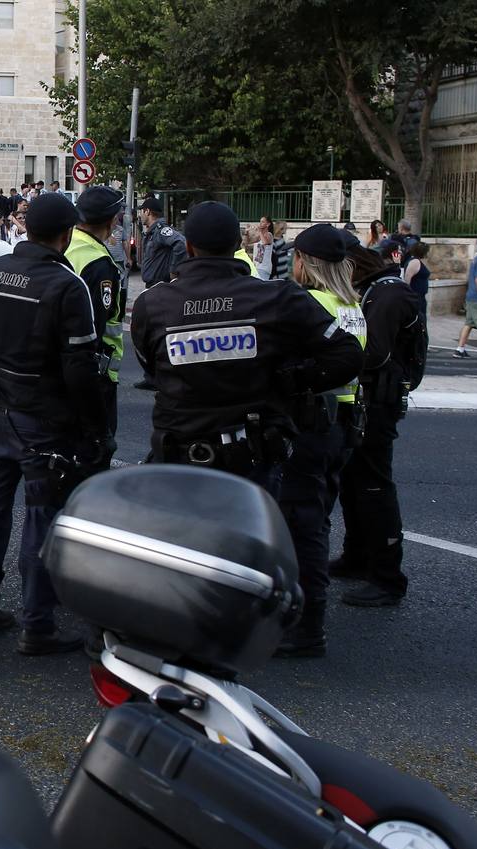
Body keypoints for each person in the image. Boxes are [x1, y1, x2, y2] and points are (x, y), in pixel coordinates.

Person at [0, 193, 109, 655]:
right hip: (43, 418)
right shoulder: (67, 285)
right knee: (42, 517)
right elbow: (80, 369)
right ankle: (37, 625)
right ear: (65, 236)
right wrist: (95, 429)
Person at [130, 202, 364, 495]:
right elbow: (348, 355)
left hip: (182, 458)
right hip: (252, 463)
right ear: (238, 245)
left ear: (188, 247)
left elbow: (150, 368)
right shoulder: (277, 298)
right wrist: (287, 382)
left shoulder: (152, 304)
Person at [272, 225, 367, 659]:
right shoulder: (351, 304)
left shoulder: (312, 303)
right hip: (344, 422)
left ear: (305, 263)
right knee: (317, 518)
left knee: (302, 524)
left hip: (314, 423)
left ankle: (306, 627)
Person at [329, 241, 428, 610]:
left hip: (378, 403)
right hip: (368, 401)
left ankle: (388, 577)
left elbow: (374, 353)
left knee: (373, 486)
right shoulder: (375, 289)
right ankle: (356, 556)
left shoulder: (387, 295)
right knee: (353, 482)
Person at [66, 186, 127, 451]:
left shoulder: (66, 243)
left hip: (58, 368)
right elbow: (96, 325)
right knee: (96, 448)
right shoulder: (99, 262)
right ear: (112, 221)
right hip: (95, 374)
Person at [138, 197, 186, 288]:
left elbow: (180, 243)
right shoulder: (152, 232)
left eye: (141, 212)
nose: (140, 215)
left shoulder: (161, 231)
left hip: (159, 287)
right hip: (153, 287)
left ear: (147, 211)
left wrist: (174, 271)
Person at [401, 241, 431, 312]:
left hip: (420, 297)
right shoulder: (415, 262)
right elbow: (407, 279)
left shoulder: (416, 261)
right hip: (415, 297)